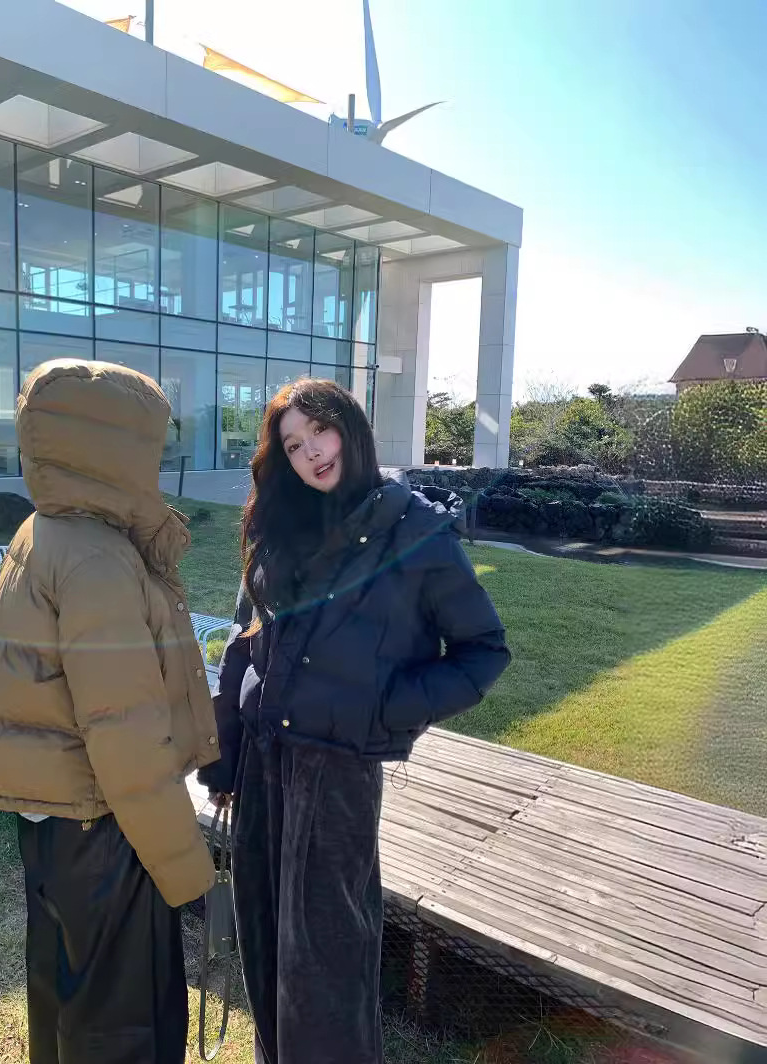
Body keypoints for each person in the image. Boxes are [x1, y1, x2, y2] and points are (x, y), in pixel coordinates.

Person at [198, 379, 510, 1064]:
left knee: (325, 966)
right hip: (261, 763)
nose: (312, 452)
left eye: (321, 431)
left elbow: (484, 651)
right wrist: (223, 756)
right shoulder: (283, 524)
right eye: (293, 445)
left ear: (352, 430)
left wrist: (386, 709)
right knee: (264, 941)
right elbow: (244, 643)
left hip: (336, 772)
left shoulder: (416, 533)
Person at [0, 359, 220, 1064]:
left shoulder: (47, 530)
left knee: (65, 1001)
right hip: (104, 827)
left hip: (55, 823)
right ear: (115, 448)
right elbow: (125, 733)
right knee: (123, 1024)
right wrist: (186, 868)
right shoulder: (97, 558)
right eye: (151, 445)